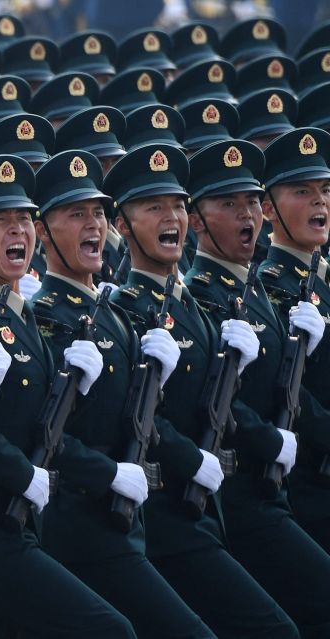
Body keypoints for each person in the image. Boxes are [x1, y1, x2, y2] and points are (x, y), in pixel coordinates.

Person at [0, 154, 135, 638]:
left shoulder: (25, 319)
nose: (17, 231)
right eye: (0, 221)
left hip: (28, 522)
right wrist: (22, 473)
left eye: (24, 218)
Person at [105, 142, 299, 637]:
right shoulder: (130, 309)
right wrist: (194, 458)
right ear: (123, 225)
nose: (171, 217)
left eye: (175, 205)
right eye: (154, 207)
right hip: (168, 511)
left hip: (211, 509)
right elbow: (133, 414)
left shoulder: (188, 301)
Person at [30, 149, 213, 638]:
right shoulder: (48, 315)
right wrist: (109, 473)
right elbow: (43, 433)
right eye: (76, 214)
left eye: (97, 213)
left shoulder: (107, 309)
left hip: (129, 523)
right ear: (43, 232)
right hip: (82, 521)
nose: (93, 225)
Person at [184, 138, 330, 636]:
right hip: (246, 488)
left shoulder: (254, 290)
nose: (246, 214)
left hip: (277, 487)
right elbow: (218, 399)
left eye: (249, 201)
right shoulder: (209, 295)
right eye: (230, 204)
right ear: (197, 221)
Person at [259, 127, 330, 553]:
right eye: (302, 191)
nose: (320, 200)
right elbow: (287, 390)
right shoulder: (272, 288)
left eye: (324, 189)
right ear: (268, 208)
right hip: (310, 483)